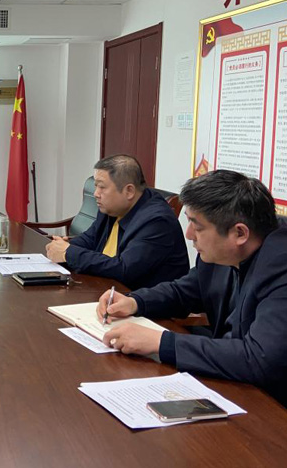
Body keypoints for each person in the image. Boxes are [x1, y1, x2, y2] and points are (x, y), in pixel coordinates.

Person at [97, 170, 287, 406]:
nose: (189, 235)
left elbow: (259, 358)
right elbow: (185, 291)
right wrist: (135, 301)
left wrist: (162, 342)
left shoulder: (280, 265)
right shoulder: (224, 252)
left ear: (239, 233)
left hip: (272, 404)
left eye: (197, 227)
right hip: (235, 383)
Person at [46, 154, 189, 289]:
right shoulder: (112, 208)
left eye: (102, 187)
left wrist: (69, 253)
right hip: (106, 289)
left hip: (142, 300)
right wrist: (63, 246)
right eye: (96, 186)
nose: (96, 193)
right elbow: (90, 239)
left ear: (129, 191)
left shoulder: (157, 221)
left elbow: (125, 269)